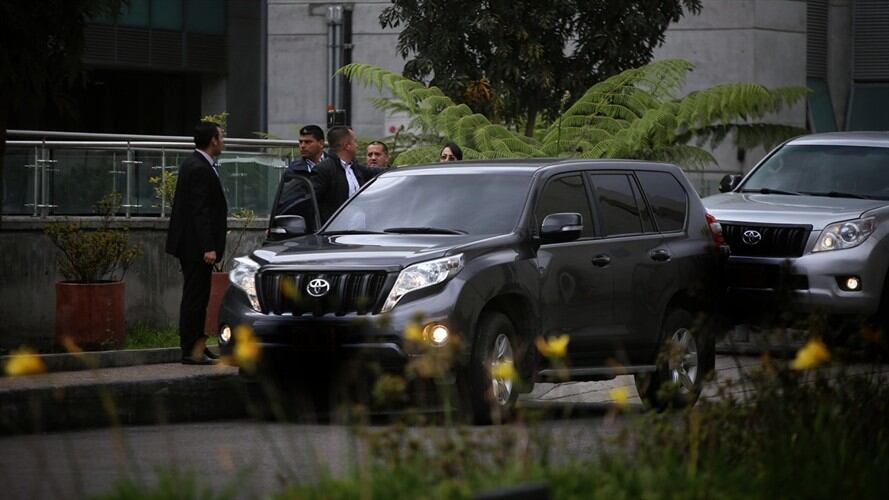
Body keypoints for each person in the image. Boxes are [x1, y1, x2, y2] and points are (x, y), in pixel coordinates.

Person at [166, 121, 228, 365]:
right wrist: (208, 246)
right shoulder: (199, 167)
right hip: (195, 247)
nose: (223, 141)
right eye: (221, 137)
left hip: (193, 245)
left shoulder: (199, 164)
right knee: (195, 298)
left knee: (200, 297)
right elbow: (199, 210)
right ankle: (191, 350)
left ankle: (198, 345)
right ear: (213, 140)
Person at [311, 126, 368, 222]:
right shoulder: (324, 169)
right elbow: (312, 203)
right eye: (354, 141)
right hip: (336, 230)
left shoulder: (354, 167)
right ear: (347, 146)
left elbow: (376, 172)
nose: (357, 145)